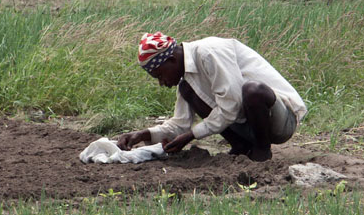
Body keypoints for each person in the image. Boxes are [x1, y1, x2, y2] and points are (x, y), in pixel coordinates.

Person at [116, 32, 307, 161]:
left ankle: (262, 151)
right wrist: (143, 134)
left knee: (252, 91)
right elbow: (179, 124)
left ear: (172, 59)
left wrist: (191, 136)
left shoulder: (209, 52)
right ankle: (240, 146)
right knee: (188, 90)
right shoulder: (187, 80)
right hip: (247, 126)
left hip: (280, 122)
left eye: (160, 75)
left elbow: (232, 104)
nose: (162, 83)